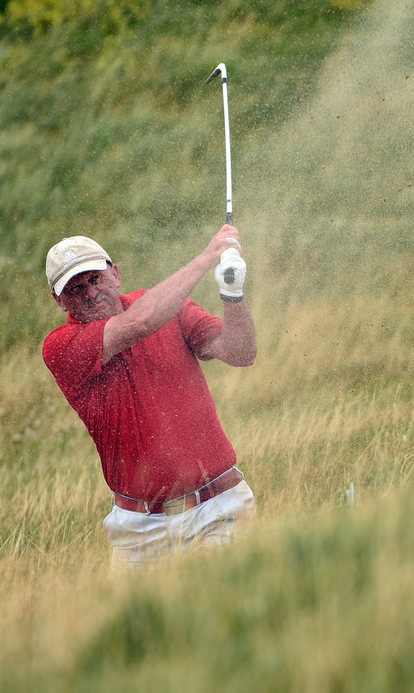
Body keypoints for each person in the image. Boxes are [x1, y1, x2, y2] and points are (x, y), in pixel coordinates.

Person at [42, 224, 257, 568]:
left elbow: (240, 351)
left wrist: (233, 293)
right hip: (138, 530)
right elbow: (139, 323)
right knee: (137, 623)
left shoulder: (167, 305)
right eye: (73, 288)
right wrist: (207, 258)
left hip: (218, 507)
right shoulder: (61, 348)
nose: (88, 292)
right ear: (59, 300)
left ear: (115, 274)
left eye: (94, 279)